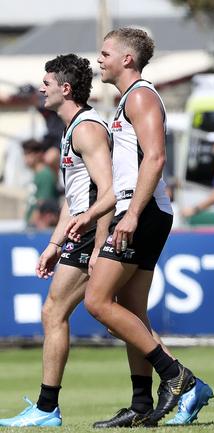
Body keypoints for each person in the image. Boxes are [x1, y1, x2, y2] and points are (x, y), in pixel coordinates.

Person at [85, 27, 211, 427]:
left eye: (106, 53)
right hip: (139, 210)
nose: (99, 59)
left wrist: (133, 214)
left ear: (127, 59)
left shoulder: (140, 95)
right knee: (132, 312)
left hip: (144, 212)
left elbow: (155, 158)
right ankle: (141, 406)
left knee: (97, 301)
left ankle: (177, 376)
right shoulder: (128, 99)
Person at [0, 54, 116, 427]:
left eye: (46, 83)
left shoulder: (86, 128)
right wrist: (53, 245)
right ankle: (183, 383)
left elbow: (108, 191)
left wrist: (98, 246)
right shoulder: (71, 129)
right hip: (82, 231)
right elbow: (76, 196)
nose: (40, 89)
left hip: (96, 231)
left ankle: (47, 409)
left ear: (65, 89)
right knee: (125, 317)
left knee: (54, 311)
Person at [22, 138, 59, 226]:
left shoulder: (45, 174)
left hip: (37, 229)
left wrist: (32, 224)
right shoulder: (37, 174)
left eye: (28, 154)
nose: (25, 158)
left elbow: (43, 203)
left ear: (38, 154)